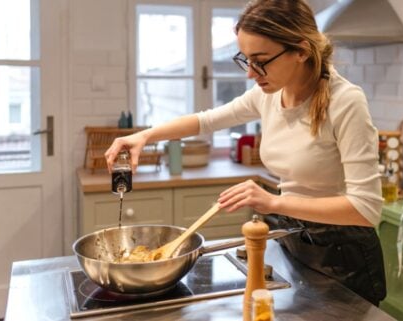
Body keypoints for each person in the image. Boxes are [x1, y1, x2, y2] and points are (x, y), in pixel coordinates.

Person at [105, 0, 386, 306]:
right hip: (295, 240)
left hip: (343, 256)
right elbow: (207, 120)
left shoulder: (345, 102)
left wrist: (274, 201)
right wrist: (145, 136)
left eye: (261, 60)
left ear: (302, 51)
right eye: (246, 60)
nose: (251, 74)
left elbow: (365, 209)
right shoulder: (270, 93)